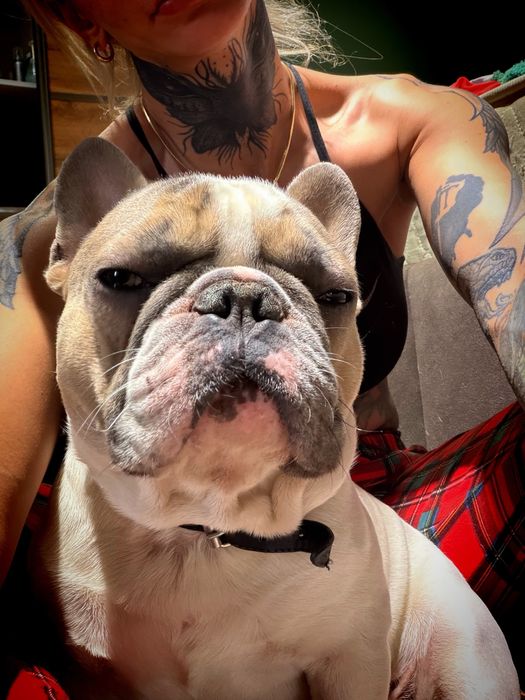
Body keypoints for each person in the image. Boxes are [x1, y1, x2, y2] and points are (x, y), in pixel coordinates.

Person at [0, 0, 523, 695]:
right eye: (128, 279)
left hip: (360, 492)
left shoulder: (413, 119)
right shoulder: (48, 230)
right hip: (132, 510)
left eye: (326, 292)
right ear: (81, 18)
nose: (238, 318)